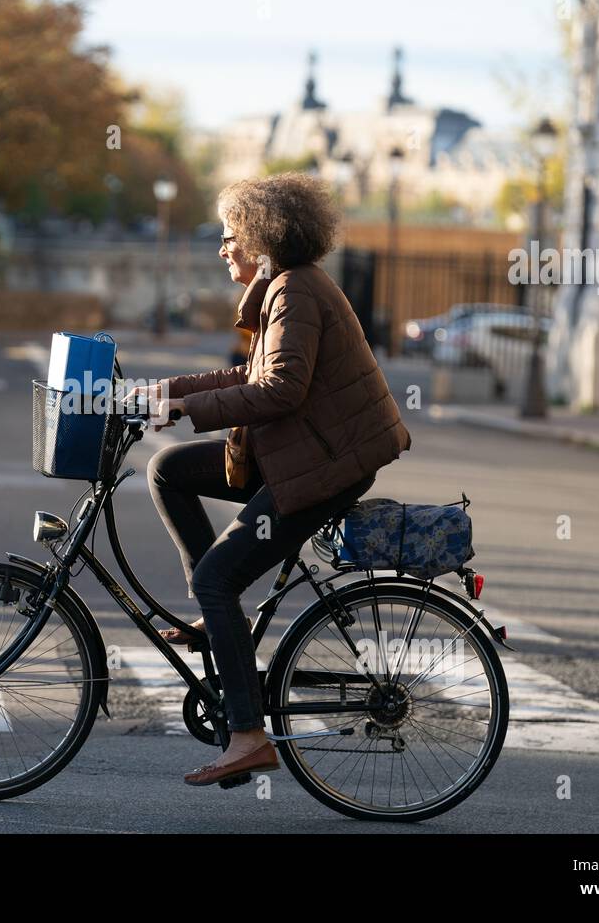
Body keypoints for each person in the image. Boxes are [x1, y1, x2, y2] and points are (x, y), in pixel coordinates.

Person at [125, 172, 412, 787]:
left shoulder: (296, 291)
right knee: (168, 467)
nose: (223, 248)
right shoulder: (280, 286)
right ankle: (216, 614)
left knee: (215, 578)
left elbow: (278, 390)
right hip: (302, 454)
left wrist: (182, 409)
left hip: (324, 467)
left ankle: (249, 736)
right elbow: (243, 375)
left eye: (231, 236)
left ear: (262, 237)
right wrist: (164, 392)